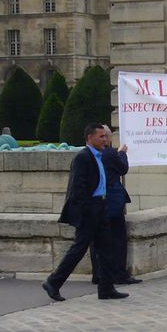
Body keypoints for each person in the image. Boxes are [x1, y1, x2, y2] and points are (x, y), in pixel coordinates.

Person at [41, 124, 125, 301]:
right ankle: (53, 282)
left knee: (106, 249)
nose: (105, 140)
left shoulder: (97, 156)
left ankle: (106, 288)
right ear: (89, 138)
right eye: (101, 136)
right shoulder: (83, 157)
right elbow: (77, 189)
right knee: (78, 249)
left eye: (105, 136)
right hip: (90, 209)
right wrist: (86, 212)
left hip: (100, 207)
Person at [92, 127, 141, 287]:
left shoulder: (90, 154)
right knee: (118, 239)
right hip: (112, 203)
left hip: (98, 203)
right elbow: (122, 168)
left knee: (97, 241)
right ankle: (119, 274)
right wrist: (122, 153)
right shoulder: (111, 153)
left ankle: (98, 274)